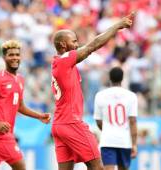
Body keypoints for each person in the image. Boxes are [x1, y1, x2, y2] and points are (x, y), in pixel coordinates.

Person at [51, 11, 135, 170]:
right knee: (97, 167)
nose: (77, 45)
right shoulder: (65, 60)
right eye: (74, 41)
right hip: (71, 122)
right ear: (63, 45)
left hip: (59, 124)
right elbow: (92, 46)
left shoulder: (59, 64)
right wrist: (117, 26)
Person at [0, 40, 51, 170]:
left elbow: (20, 106)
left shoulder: (20, 79)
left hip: (4, 131)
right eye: (11, 55)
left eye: (17, 54)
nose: (15, 57)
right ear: (4, 57)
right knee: (20, 166)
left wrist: (39, 116)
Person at [93, 67, 138, 170]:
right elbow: (133, 121)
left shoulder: (100, 95)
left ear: (110, 78)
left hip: (107, 140)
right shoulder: (131, 96)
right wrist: (134, 144)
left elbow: (98, 121)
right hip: (125, 140)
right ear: (122, 79)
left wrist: (107, 130)